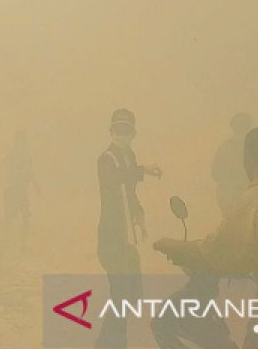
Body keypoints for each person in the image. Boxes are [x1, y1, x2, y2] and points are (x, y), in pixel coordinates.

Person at [153, 127, 258, 349]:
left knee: (162, 324)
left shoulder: (254, 198)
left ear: (247, 158)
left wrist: (170, 245)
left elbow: (217, 249)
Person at [95, 108, 161, 349]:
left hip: (127, 239)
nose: (123, 135)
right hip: (111, 239)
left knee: (129, 297)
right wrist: (143, 171)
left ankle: (110, 344)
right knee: (121, 296)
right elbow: (113, 181)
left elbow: (130, 193)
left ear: (133, 133)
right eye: (119, 130)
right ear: (111, 131)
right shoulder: (105, 160)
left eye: (127, 131)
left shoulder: (129, 156)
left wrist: (139, 215)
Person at [3, 129, 40, 254]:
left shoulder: (13, 153)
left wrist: (35, 186)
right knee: (24, 219)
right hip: (18, 190)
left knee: (12, 219)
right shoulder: (23, 154)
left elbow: (26, 172)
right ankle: (20, 246)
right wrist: (35, 186)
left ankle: (9, 246)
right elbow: (28, 172)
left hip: (14, 190)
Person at [211, 112, 253, 216]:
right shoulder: (255, 146)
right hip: (250, 196)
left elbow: (215, 173)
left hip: (228, 196)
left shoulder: (225, 147)